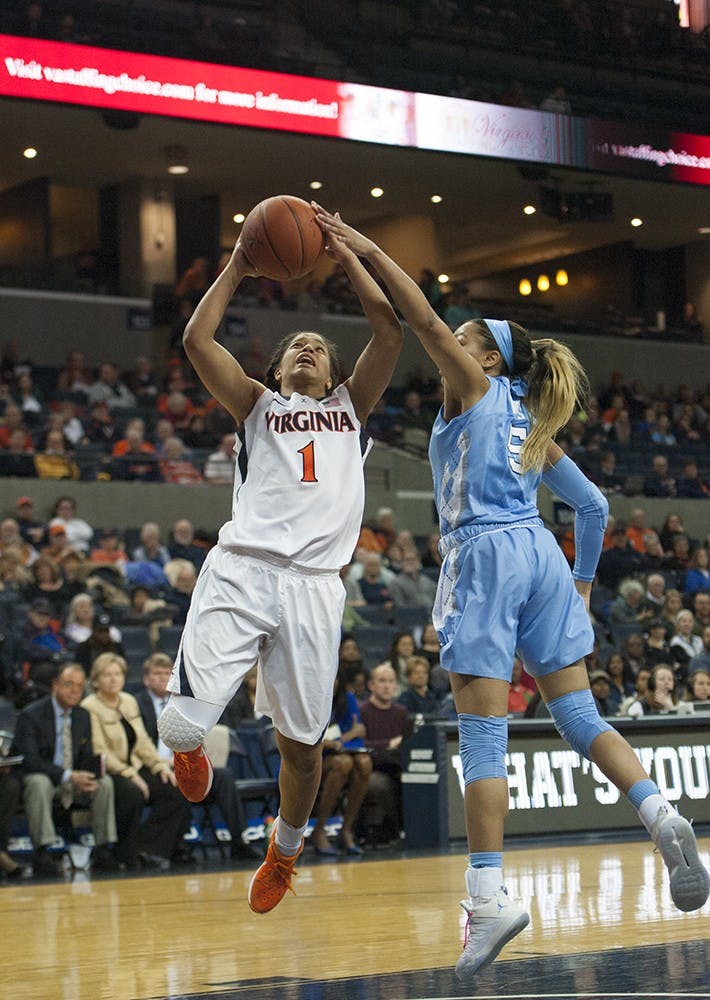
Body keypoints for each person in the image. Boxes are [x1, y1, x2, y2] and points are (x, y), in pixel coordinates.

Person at [313, 206, 710, 979]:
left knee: (485, 737)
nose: (452, 345)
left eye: (466, 341)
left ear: (490, 361)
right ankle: (659, 812)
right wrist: (584, 587)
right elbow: (592, 508)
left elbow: (417, 315)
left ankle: (489, 895)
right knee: (579, 714)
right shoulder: (532, 421)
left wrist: (362, 245)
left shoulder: (473, 386)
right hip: (542, 555)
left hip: (485, 556)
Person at [154, 223, 402, 916]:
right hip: (242, 570)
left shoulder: (352, 408)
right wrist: (237, 263)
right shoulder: (258, 406)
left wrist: (350, 257)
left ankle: (285, 853)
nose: (308, 349)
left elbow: (389, 333)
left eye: (320, 348)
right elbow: (197, 343)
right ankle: (189, 747)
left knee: (302, 749)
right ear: (278, 368)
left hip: (316, 590)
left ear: (331, 374)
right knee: (176, 729)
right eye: (297, 344)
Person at [134, 653, 260, 861]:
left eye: (167, 673)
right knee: (177, 786)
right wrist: (160, 763)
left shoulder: (181, 702)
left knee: (224, 776)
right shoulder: (137, 703)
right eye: (157, 673)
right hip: (153, 766)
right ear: (146, 679)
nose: (163, 677)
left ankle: (240, 842)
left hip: (182, 761)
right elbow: (138, 742)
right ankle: (176, 845)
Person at [82, 653, 190, 870]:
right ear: (95, 680)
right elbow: (100, 750)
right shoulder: (89, 706)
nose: (113, 679)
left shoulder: (129, 701)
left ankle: (148, 849)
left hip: (134, 766)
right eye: (107, 675)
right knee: (132, 792)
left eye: (117, 674)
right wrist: (131, 774)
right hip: (110, 771)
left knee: (174, 788)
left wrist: (159, 766)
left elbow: (142, 741)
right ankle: (125, 852)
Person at [11, 663, 120, 875]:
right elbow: (30, 761)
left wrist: (91, 772)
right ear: (54, 685)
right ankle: (44, 852)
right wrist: (68, 776)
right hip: (47, 779)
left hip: (74, 779)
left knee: (104, 783)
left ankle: (103, 849)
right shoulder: (32, 715)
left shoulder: (82, 715)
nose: (74, 691)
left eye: (79, 687)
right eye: (69, 684)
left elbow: (85, 754)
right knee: (38, 782)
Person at [310, 666, 372, 857]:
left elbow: (358, 735)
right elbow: (300, 741)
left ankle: (346, 829)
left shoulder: (348, 698)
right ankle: (319, 830)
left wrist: (337, 742)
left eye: (335, 677)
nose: (332, 682)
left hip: (339, 754)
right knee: (342, 763)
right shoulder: (309, 699)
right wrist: (342, 738)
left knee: (364, 762)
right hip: (310, 759)